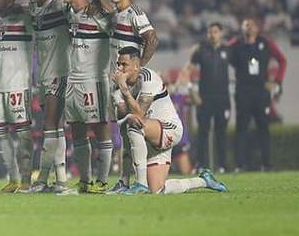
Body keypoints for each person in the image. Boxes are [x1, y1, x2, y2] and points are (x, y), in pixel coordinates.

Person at [112, 47, 228, 195]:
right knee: (158, 189)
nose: (119, 69)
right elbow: (121, 115)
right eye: (118, 64)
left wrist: (124, 89)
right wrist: (120, 93)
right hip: (149, 134)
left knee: (134, 123)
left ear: (136, 65)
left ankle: (139, 184)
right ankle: (204, 180)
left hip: (169, 129)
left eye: (124, 64)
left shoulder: (148, 77)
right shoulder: (117, 85)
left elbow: (139, 114)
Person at [59, 0, 114, 194]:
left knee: (101, 129)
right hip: (73, 80)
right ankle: (85, 181)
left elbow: (117, 20)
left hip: (94, 80)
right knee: (77, 131)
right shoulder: (67, 12)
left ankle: (101, 181)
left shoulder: (97, 14)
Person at [106, 0, 159, 194]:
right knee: (123, 131)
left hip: (129, 83)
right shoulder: (115, 15)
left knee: (131, 128)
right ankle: (125, 180)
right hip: (117, 80)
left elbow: (152, 38)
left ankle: (136, 180)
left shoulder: (134, 13)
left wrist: (138, 67)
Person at [23, 0, 70, 193]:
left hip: (59, 72)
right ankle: (61, 180)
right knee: (56, 128)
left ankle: (41, 179)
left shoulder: (59, 5)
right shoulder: (33, 9)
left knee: (49, 125)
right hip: (42, 75)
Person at [0, 0, 35, 193]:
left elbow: (39, 10)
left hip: (18, 84)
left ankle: (26, 180)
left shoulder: (26, 17)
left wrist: (24, 7)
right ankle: (13, 178)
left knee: (23, 134)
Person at [228, 18, 287, 171]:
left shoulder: (266, 43)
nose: (249, 27)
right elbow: (224, 55)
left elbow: (282, 60)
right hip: (243, 91)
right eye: (246, 24)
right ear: (242, 28)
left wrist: (277, 81)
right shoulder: (235, 44)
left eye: (251, 24)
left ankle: (266, 164)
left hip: (261, 91)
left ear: (257, 28)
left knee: (263, 127)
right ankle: (240, 165)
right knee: (241, 128)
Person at [187, 23, 231, 172]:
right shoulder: (201, 50)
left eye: (215, 32)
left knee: (221, 133)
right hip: (204, 98)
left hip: (223, 99)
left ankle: (223, 165)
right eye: (210, 32)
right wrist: (193, 91)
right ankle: (201, 164)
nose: (213, 34)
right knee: (203, 133)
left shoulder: (228, 50)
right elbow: (189, 70)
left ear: (221, 33)